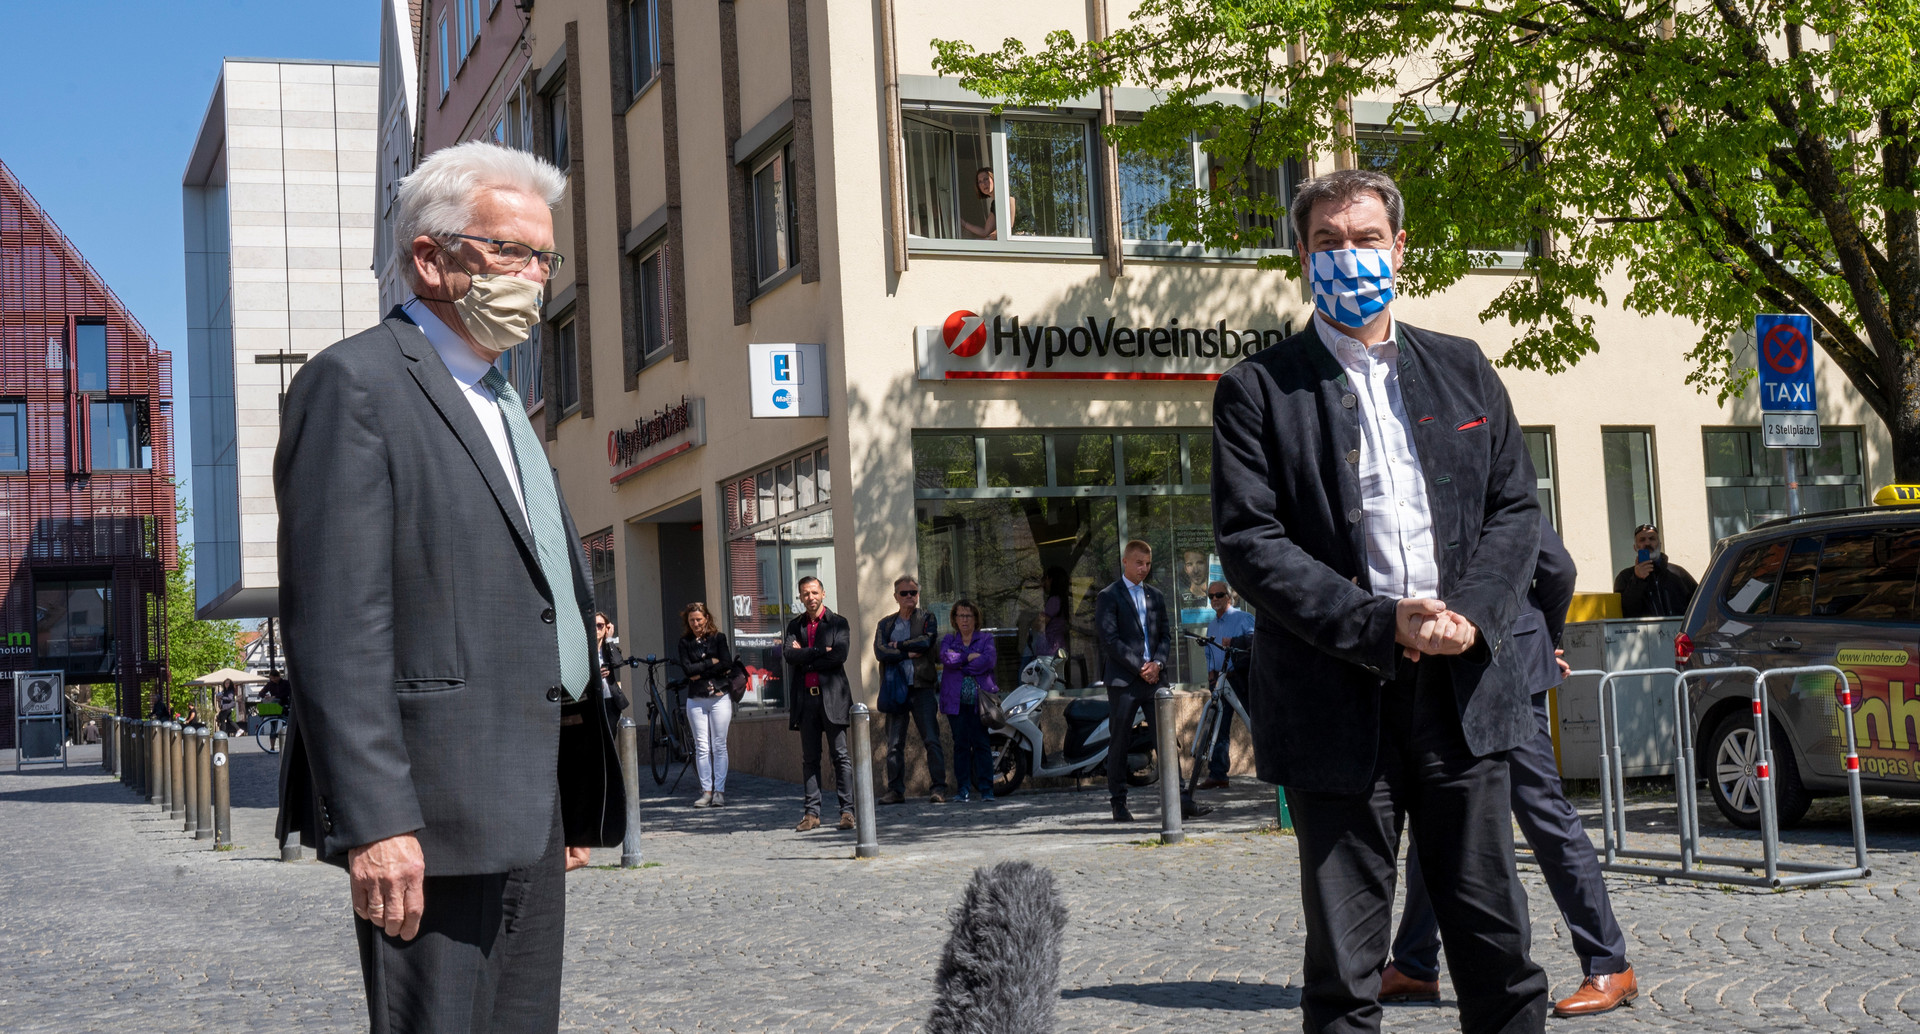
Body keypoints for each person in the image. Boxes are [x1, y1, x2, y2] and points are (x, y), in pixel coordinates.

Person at [274, 140, 624, 1033]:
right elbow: (335, 628)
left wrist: (567, 782)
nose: (536, 278)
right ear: (429, 258)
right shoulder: (355, 385)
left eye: (544, 257)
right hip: (429, 818)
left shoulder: (504, 401)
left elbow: (538, 593)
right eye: (510, 252)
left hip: (529, 804)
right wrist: (376, 821)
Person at [1212, 168, 1550, 1034]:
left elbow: (1515, 511)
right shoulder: (1258, 389)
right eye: (1327, 242)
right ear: (1301, 257)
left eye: (1366, 240)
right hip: (1337, 702)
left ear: (1400, 249)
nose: (1348, 256)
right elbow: (1252, 544)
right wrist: (1377, 622)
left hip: (1460, 697)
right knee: (1344, 969)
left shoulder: (1464, 369)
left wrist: (1468, 612)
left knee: (1497, 950)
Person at [1382, 513, 1638, 1017]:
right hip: (1444, 669)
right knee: (1441, 809)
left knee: (1541, 811)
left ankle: (1611, 962)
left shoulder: (1489, 462)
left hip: (1509, 664)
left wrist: (1548, 638)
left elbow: (1557, 567)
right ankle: (1414, 962)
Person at [1094, 541, 1209, 822]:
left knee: (1167, 741)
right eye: (1138, 563)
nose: (1143, 568)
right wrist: (1139, 667)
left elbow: (1166, 635)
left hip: (1155, 679)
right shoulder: (1109, 596)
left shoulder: (1155, 596)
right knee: (1120, 741)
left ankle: (1180, 799)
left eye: (1147, 563)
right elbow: (1110, 640)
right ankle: (1119, 803)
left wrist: (1157, 664)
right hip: (1124, 681)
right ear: (1125, 562)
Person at [784, 576, 853, 831]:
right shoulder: (795, 625)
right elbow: (789, 655)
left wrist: (806, 655)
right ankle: (811, 814)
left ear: (823, 594)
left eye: (814, 592)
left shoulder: (838, 623)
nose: (810, 598)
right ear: (800, 598)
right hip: (806, 700)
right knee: (810, 759)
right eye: (805, 594)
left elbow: (839, 655)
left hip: (833, 698)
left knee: (841, 757)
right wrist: (817, 651)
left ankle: (847, 812)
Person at [875, 576, 945, 805]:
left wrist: (900, 645)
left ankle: (938, 789)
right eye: (904, 593)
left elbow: (926, 643)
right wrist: (906, 653)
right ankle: (895, 791)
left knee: (932, 740)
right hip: (896, 689)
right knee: (894, 744)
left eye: (913, 593)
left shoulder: (927, 618)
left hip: (922, 687)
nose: (909, 597)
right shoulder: (886, 624)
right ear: (895, 596)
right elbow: (881, 651)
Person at [938, 599, 999, 802]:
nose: (964, 620)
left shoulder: (985, 639)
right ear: (954, 619)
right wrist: (968, 658)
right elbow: (946, 658)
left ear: (975, 618)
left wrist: (961, 665)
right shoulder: (948, 639)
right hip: (955, 702)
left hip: (979, 703)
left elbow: (988, 660)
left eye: (968, 615)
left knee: (982, 744)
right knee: (960, 745)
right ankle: (963, 789)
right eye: (960, 615)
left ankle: (986, 789)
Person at [1197, 581, 1255, 790]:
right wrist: (1211, 676)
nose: (1214, 599)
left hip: (1240, 678)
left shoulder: (1243, 618)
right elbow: (1209, 653)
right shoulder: (1212, 625)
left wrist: (1234, 641)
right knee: (1218, 726)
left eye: (1219, 595)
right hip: (1221, 681)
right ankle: (1218, 774)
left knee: (1255, 722)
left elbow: (1255, 642)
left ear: (1228, 597)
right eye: (1210, 596)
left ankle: (1277, 768)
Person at [678, 602, 735, 808]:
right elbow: (687, 670)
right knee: (702, 746)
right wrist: (711, 663)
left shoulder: (718, 638)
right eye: (692, 620)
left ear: (707, 619)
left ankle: (719, 791)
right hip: (696, 699)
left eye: (699, 619)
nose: (695, 623)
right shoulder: (684, 643)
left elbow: (727, 663)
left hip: (719, 696)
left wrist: (700, 672)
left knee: (719, 745)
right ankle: (706, 791)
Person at [1612, 524, 1698, 618]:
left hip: (1677, 631)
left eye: (1652, 538)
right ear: (1635, 548)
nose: (1647, 543)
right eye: (1642, 540)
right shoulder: (1625, 577)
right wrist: (1637, 580)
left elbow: (1701, 603)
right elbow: (1625, 612)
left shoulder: (1678, 573)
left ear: (1660, 545)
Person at [959, 167, 1013, 239]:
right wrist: (963, 223)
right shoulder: (995, 204)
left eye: (986, 179)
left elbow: (1008, 228)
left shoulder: (1008, 199)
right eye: (980, 182)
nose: (983, 184)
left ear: (994, 179)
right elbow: (985, 232)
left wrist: (986, 240)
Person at [597, 613, 631, 713]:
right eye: (594, 625)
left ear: (606, 628)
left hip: (610, 699)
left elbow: (617, 663)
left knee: (612, 728)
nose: (596, 629)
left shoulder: (609, 648)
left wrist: (609, 639)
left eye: (600, 625)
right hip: (594, 700)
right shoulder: (585, 650)